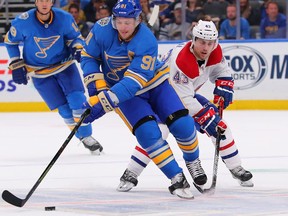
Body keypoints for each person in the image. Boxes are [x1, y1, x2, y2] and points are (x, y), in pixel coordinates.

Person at [80, 0, 208, 199]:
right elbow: (88, 56)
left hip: (154, 84)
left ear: (138, 20)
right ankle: (176, 177)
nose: (123, 27)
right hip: (125, 95)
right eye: (119, 21)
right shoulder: (101, 28)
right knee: (148, 134)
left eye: (128, 22)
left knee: (183, 125)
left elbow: (134, 81)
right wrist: (96, 86)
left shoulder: (146, 40)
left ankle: (193, 161)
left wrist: (106, 101)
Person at [117, 20, 254, 192]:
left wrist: (224, 81)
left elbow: (221, 70)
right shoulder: (181, 60)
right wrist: (204, 115)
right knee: (158, 133)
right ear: (194, 40)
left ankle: (236, 168)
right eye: (202, 42)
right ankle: (131, 173)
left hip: (184, 96)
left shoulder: (214, 52)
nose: (206, 47)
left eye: (210, 43)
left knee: (219, 127)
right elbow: (182, 100)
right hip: (160, 96)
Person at [4, 0, 103, 154]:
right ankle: (82, 138)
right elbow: (10, 42)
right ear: (36, 2)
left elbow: (75, 38)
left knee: (78, 101)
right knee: (63, 110)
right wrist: (16, 62)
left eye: (47, 0)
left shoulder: (64, 18)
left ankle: (87, 136)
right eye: (41, 0)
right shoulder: (22, 21)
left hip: (64, 66)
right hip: (39, 73)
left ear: (52, 2)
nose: (44, 4)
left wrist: (77, 48)